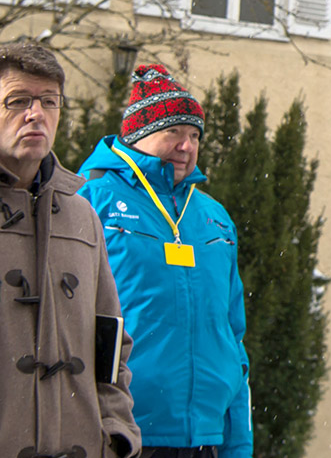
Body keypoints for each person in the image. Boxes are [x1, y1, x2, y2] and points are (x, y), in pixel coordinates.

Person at [78, 64, 251, 458]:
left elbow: (233, 336)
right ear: (137, 136)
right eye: (173, 132)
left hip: (206, 437)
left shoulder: (214, 217)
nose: (186, 146)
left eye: (194, 135)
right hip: (123, 432)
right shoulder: (91, 202)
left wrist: (238, 442)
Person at [0, 41, 141, 458]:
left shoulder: (83, 216)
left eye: (49, 101)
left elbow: (110, 343)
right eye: (18, 100)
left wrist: (116, 434)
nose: (35, 114)